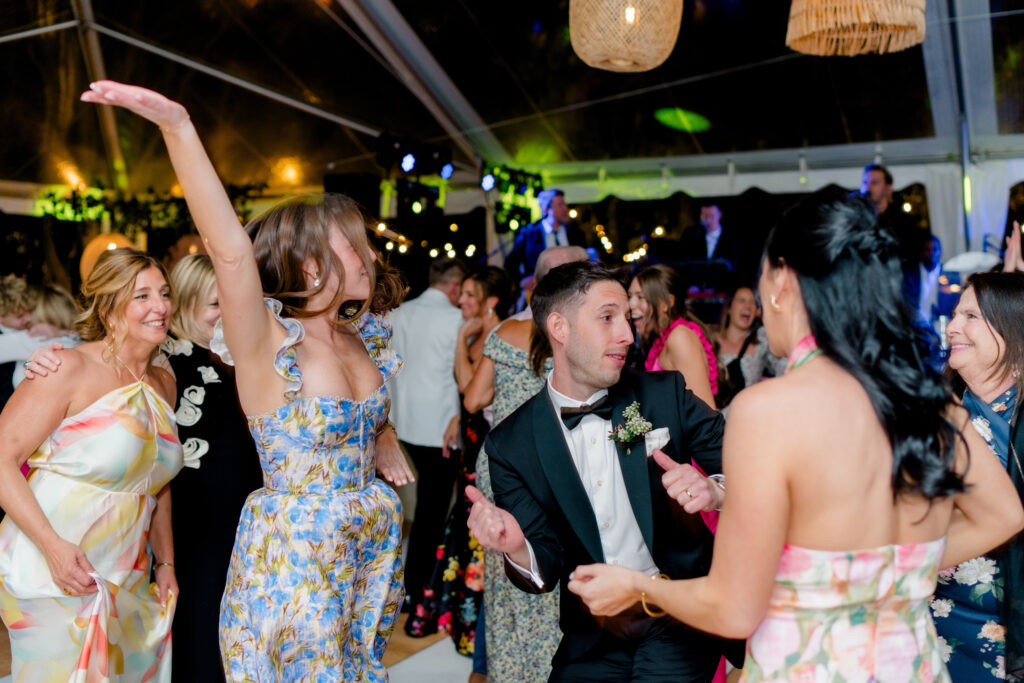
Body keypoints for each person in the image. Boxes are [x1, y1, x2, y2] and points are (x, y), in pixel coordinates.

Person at [565, 197, 1024, 682]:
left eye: (763, 279)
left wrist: (639, 588)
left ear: (783, 281)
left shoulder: (766, 410)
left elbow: (733, 610)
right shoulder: (933, 404)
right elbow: (1006, 514)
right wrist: (902, 568)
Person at [82, 81, 407, 681]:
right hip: (296, 562)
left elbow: (363, 418)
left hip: (368, 548)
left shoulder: (366, 335)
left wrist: (383, 433)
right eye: (354, 249)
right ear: (311, 265)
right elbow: (229, 250)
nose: (368, 258)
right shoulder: (268, 343)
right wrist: (177, 126)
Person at [466, 260, 739, 681]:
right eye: (608, 318)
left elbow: (748, 461)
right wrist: (517, 546)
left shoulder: (664, 394)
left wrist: (715, 490)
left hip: (678, 615)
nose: (628, 335)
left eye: (628, 319)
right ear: (559, 327)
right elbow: (545, 568)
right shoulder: (509, 445)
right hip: (593, 632)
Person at [0, 248, 183, 681]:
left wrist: (166, 563)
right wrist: (53, 548)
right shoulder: (67, 368)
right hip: (54, 564)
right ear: (108, 306)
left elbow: (155, 483)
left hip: (127, 570)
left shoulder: (164, 381)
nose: (159, 307)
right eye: (141, 296)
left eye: (164, 292)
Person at [460, 247, 588, 683]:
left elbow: (474, 400)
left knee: (508, 578)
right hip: (557, 467)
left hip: (500, 465)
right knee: (554, 572)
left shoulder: (504, 331)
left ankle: (511, 673)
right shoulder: (578, 336)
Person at [934, 271, 1024, 681]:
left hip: (1014, 625)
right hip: (938, 622)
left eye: (971, 316)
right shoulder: (932, 419)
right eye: (955, 314)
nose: (953, 327)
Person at [390, 256, 467, 614]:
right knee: (433, 511)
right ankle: (421, 589)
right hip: (442, 425)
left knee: (424, 509)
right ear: (454, 287)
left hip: (404, 423)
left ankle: (414, 585)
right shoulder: (457, 320)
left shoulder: (400, 313)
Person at [628, 264, 718, 407]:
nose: (631, 304)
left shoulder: (680, 337)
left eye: (640, 297)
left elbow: (706, 411)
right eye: (630, 296)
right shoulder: (660, 340)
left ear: (667, 303)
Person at [504, 190, 587, 306]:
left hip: (573, 295)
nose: (565, 208)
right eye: (560, 205)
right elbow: (510, 263)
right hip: (540, 298)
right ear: (546, 209)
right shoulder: (528, 235)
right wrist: (521, 281)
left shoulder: (576, 234)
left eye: (565, 204)